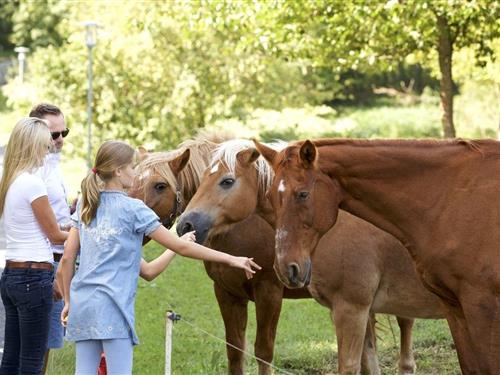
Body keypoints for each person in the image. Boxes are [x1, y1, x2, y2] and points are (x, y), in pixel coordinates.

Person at [58, 140, 260, 374]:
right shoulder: (135, 210)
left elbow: (68, 260)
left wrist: (68, 301)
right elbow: (183, 250)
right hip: (114, 309)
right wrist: (232, 259)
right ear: (119, 171)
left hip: (83, 306)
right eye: (132, 167)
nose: (135, 173)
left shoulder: (87, 203)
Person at [0, 118, 69, 374]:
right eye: (44, 145)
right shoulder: (32, 183)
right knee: (32, 360)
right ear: (32, 146)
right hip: (33, 276)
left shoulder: (11, 181)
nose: (48, 150)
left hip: (12, 276)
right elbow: (54, 235)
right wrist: (83, 233)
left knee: (12, 357)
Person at [29, 103, 71, 374]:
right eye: (54, 135)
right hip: (42, 264)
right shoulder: (35, 171)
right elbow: (48, 229)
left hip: (56, 261)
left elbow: (54, 213)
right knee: (30, 349)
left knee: (43, 346)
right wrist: (80, 233)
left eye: (64, 132)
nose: (60, 140)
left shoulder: (52, 165)